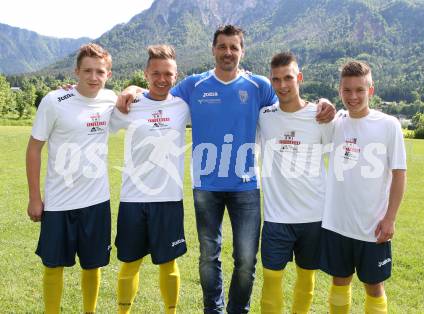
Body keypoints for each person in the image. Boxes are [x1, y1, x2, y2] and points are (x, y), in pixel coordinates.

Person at [119, 25, 335, 314]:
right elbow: (157, 91)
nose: (228, 52)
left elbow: (291, 102)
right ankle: (213, 309)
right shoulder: (194, 85)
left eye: (234, 47)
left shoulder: (259, 86)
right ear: (213, 49)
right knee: (209, 255)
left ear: (242, 51)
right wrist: (130, 89)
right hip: (206, 187)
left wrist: (323, 102)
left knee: (246, 259)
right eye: (222, 46)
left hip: (246, 187)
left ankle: (238, 310)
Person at [26, 43, 116, 314]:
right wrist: (34, 197)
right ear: (76, 71)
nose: (93, 77)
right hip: (58, 202)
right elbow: (33, 149)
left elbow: (139, 95)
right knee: (53, 265)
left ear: (108, 75)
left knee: (93, 265)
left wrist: (134, 89)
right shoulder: (54, 101)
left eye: (100, 71)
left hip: (97, 201)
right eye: (87, 70)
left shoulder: (111, 99)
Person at [320, 61, 407, 314]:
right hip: (337, 223)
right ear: (340, 91)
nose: (353, 96)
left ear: (371, 90)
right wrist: (325, 101)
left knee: (374, 286)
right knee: (339, 281)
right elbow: (317, 112)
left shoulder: (389, 125)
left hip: (372, 225)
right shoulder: (336, 121)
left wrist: (390, 218)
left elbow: (399, 175)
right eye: (347, 90)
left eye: (360, 90)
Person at [110, 45, 190, 314]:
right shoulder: (129, 105)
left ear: (176, 76)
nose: (161, 79)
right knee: (130, 263)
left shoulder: (183, 106)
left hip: (168, 199)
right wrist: (69, 91)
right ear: (146, 73)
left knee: (168, 264)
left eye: (168, 74)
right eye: (156, 73)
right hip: (133, 199)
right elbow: (92, 112)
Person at [257, 52, 333, 314]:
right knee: (271, 279)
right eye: (276, 80)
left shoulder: (321, 116)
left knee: (306, 279)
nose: (282, 85)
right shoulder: (264, 116)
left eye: (288, 77)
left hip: (314, 216)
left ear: (299, 77)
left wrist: (327, 103)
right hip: (276, 217)